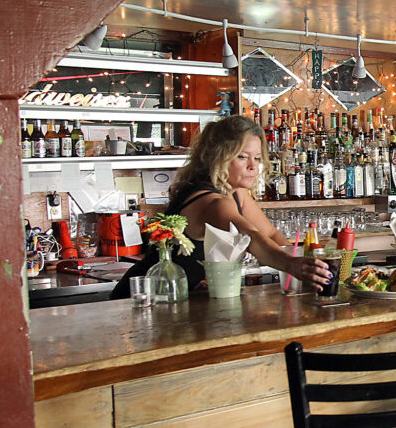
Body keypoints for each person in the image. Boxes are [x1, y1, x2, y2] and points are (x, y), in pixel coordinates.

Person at [111, 115, 331, 298]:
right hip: (140, 297)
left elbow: (271, 234)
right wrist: (292, 264)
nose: (253, 166)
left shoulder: (238, 193)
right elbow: (251, 236)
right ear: (217, 157)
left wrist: (307, 264)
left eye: (257, 157)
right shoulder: (210, 202)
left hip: (171, 295)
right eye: (242, 157)